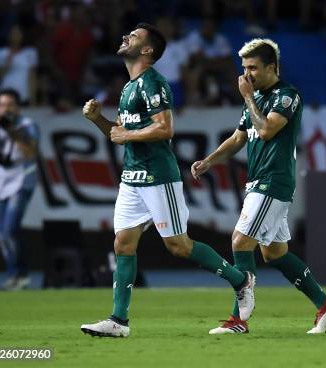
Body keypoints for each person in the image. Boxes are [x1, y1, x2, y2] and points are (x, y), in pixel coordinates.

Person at [79, 23, 255, 338]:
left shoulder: (153, 82)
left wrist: (125, 132)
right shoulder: (128, 88)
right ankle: (119, 321)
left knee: (178, 245)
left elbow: (165, 129)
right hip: (131, 178)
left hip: (158, 177)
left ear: (147, 50)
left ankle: (240, 280)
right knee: (123, 243)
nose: (125, 37)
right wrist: (98, 121)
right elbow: (119, 135)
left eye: (133, 36)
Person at [191, 38, 326, 335]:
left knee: (240, 241)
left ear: (272, 67)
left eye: (253, 68)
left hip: (274, 181)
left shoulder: (286, 96)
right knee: (274, 253)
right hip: (258, 181)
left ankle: (239, 320)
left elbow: (267, 129)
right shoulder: (256, 98)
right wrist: (209, 161)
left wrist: (247, 97)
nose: (246, 75)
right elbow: (239, 138)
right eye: (244, 68)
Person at [0, 89, 39, 290]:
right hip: (1, 182)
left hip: (21, 180)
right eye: (1, 105)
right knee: (2, 234)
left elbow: (30, 152)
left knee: (9, 230)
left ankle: (18, 273)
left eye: (9, 105)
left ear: (17, 106)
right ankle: (16, 273)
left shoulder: (27, 125)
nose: (5, 109)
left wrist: (12, 132)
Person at [0, 25, 38, 105]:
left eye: (17, 33)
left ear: (22, 35)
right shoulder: (0, 53)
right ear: (8, 35)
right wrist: (7, 62)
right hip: (5, 97)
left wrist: (33, 100)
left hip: (24, 96)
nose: (15, 36)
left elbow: (32, 77)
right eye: (12, 33)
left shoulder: (30, 53)